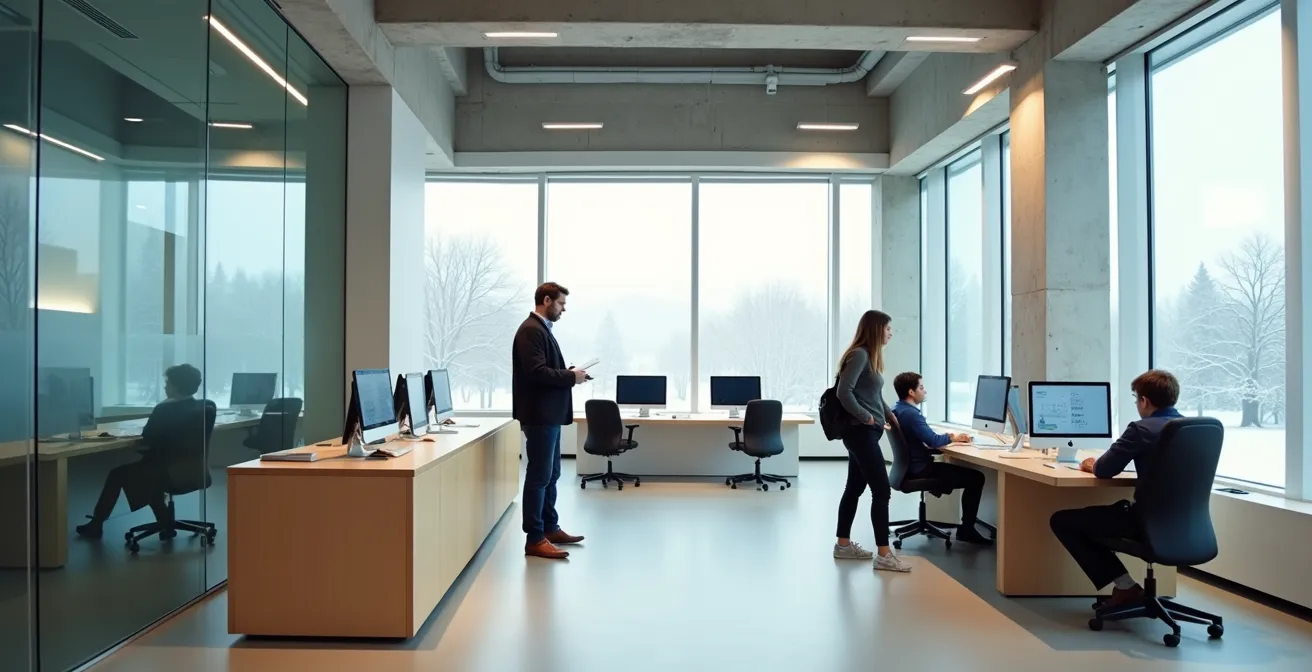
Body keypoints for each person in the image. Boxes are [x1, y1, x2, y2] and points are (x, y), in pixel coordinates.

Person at [1049, 369, 1185, 609]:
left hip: (1145, 523)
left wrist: (1091, 464)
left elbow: (1104, 469)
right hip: (1188, 524)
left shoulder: (1142, 429)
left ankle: (1125, 586)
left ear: (1144, 401)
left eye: (1136, 399)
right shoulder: (1193, 428)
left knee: (1063, 520)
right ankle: (1128, 589)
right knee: (1106, 514)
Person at [76, 364, 208, 539]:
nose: (165, 386)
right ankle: (165, 524)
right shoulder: (203, 406)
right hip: (194, 470)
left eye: (168, 383)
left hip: (168, 472)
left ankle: (96, 524)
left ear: (176, 386)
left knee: (119, 474)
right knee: (151, 472)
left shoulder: (165, 409)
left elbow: (148, 437)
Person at [512, 282, 589, 560]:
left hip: (549, 415)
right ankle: (534, 538)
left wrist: (568, 373)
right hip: (540, 415)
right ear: (547, 300)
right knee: (539, 476)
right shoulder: (531, 330)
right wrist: (571, 378)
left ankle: (549, 527)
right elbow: (536, 374)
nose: (563, 310)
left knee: (552, 474)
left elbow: (543, 370)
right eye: (561, 304)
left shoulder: (540, 330)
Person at [832, 309, 911, 572]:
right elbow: (845, 392)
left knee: (854, 488)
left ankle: (843, 545)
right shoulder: (860, 355)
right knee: (882, 491)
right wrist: (867, 418)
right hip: (860, 433)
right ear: (876, 329)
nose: (890, 333)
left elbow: (873, 394)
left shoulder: (870, 358)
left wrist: (889, 413)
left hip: (866, 432)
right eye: (888, 328)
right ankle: (884, 555)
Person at [889, 372, 992, 545]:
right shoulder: (912, 414)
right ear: (911, 392)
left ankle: (966, 527)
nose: (925, 391)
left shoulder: (897, 409)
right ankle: (966, 530)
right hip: (920, 470)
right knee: (976, 478)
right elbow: (933, 441)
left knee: (966, 475)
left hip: (907, 469)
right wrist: (952, 437)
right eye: (921, 387)